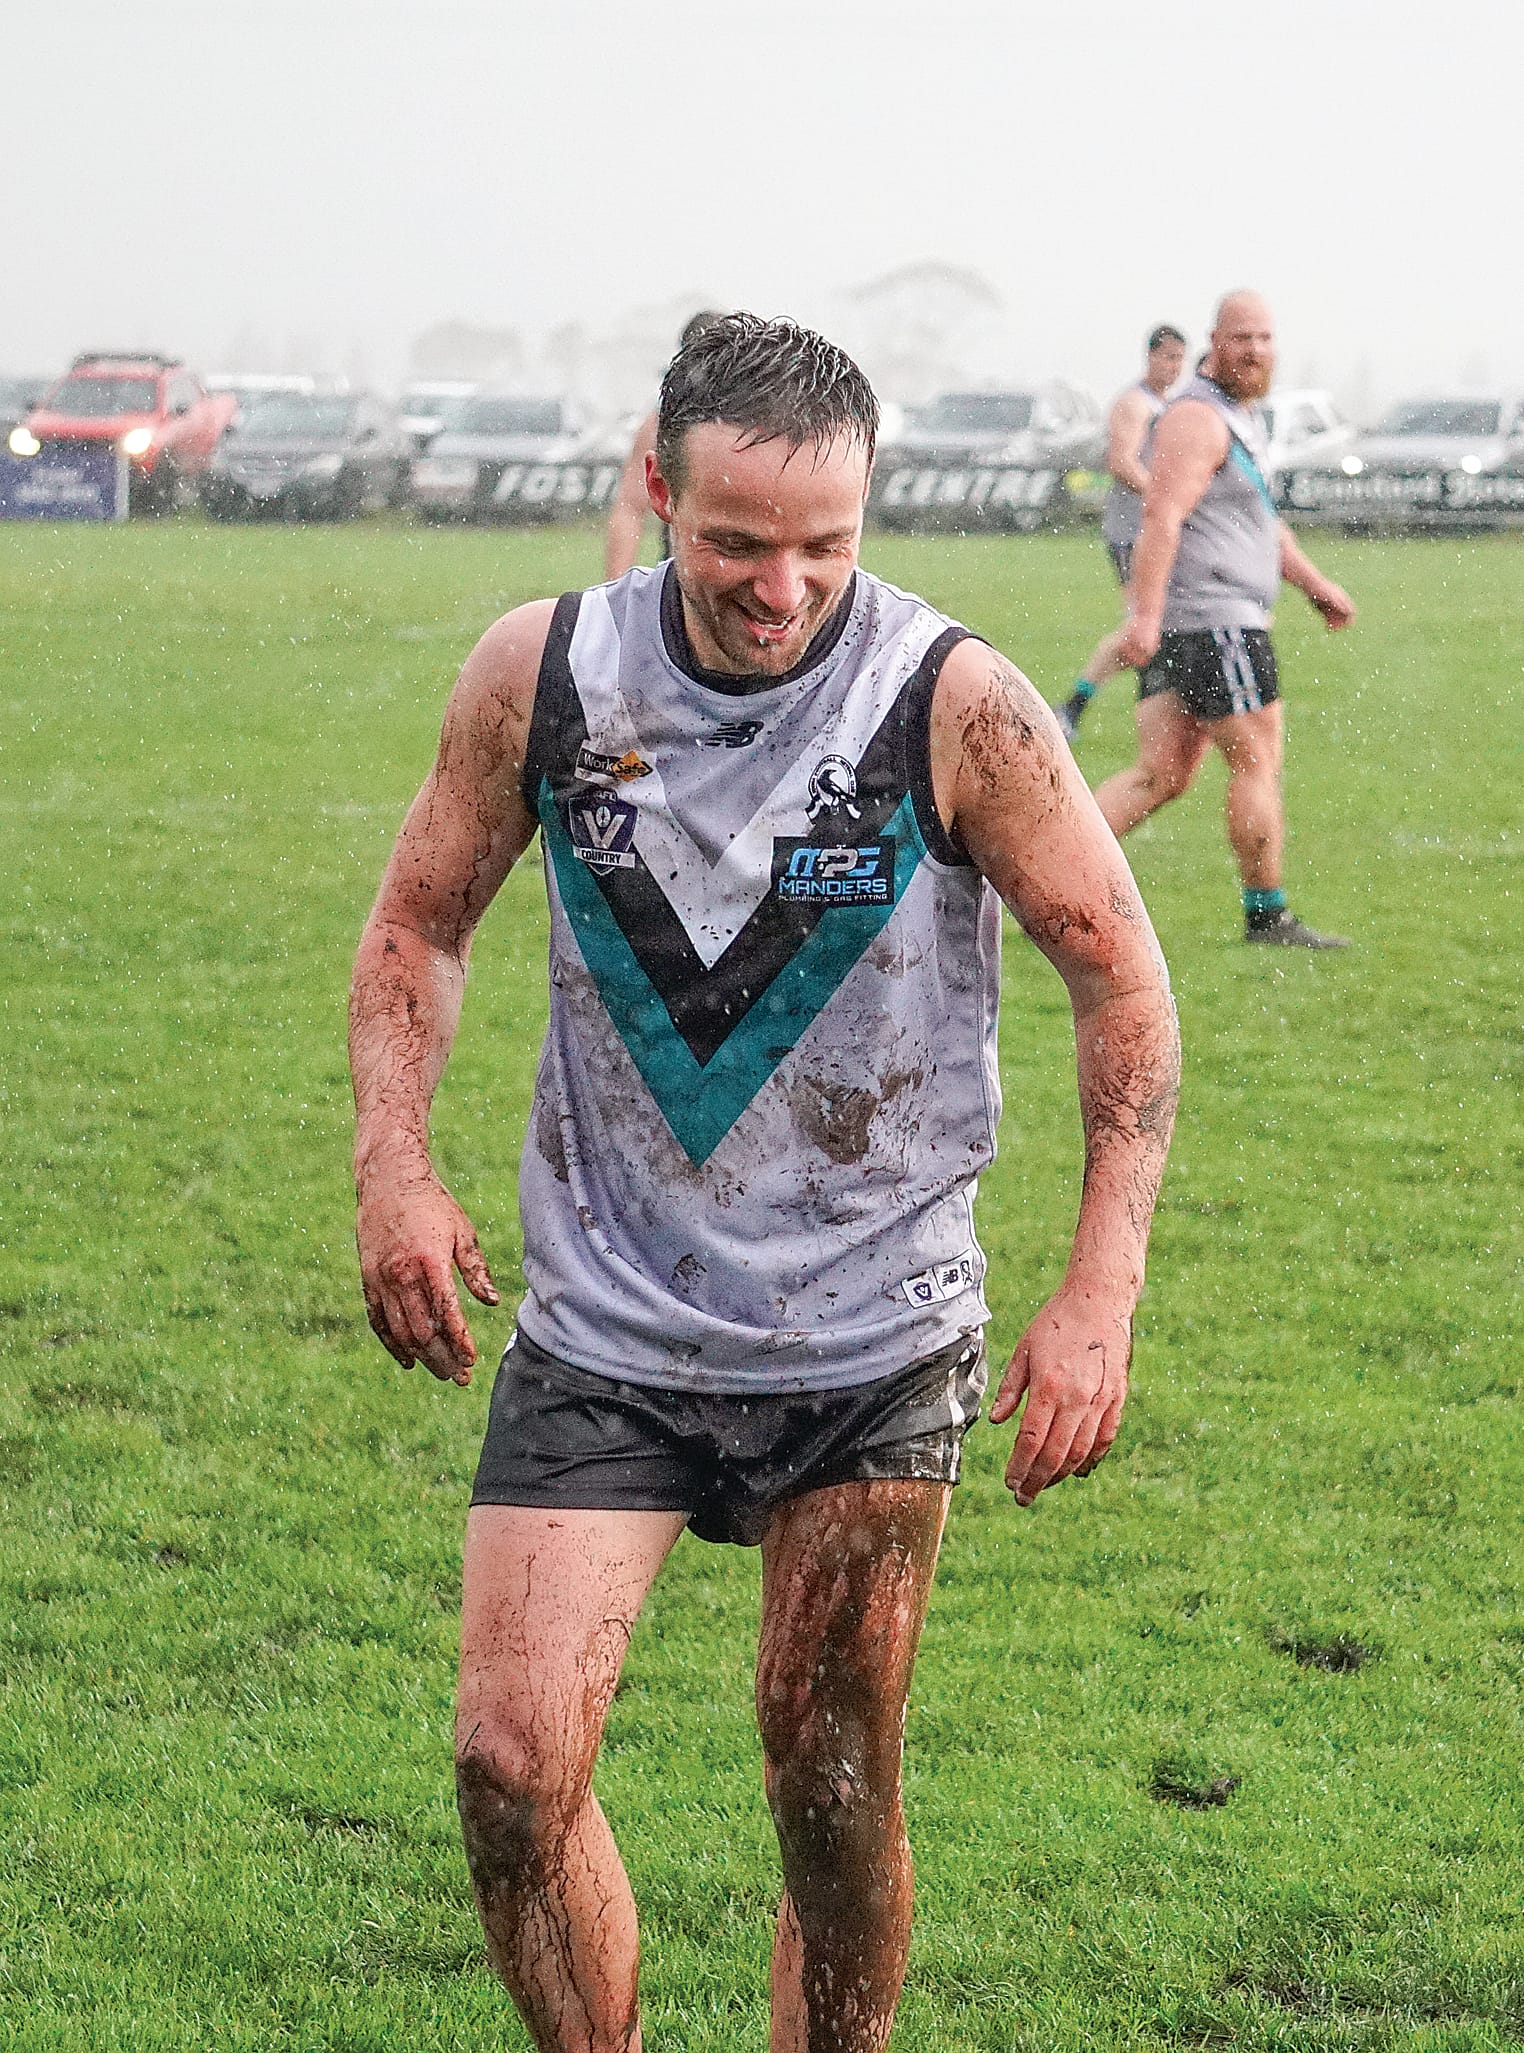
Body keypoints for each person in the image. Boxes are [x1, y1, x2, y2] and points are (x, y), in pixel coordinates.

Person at [349, 313, 1179, 2053]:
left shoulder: (952, 702)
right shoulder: (543, 674)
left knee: (827, 1781)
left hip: (865, 1337)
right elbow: (417, 924)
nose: (781, 586)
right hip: (605, 1327)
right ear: (657, 487)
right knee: (509, 1764)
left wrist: (1096, 1289)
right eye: (734, 540)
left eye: (825, 544)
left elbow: (1119, 973)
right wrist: (394, 1167)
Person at [1093, 290, 1356, 947]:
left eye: (1265, 338)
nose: (1256, 351)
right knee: (1257, 760)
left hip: (1202, 624)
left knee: (1161, 775)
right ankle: (1267, 915)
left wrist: (1314, 585)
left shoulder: (1239, 419)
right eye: (1243, 338)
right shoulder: (1197, 419)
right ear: (1215, 341)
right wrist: (1146, 617)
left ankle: (1034, 877)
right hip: (1215, 625)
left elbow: (1259, 524)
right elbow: (1162, 515)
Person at [1056, 323, 1187, 741]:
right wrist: (1164, 498)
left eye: (1179, 359)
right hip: (1133, 533)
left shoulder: (1170, 404)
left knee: (1160, 623)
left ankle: (1163, 709)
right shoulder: (1134, 403)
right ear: (1149, 357)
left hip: (1156, 530)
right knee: (1142, 625)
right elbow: (1121, 463)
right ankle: (1073, 707)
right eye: (1166, 357)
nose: (1172, 366)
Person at [603, 309, 724, 578]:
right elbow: (630, 509)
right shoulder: (662, 424)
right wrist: (615, 597)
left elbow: (629, 510)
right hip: (688, 579)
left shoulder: (765, 423)